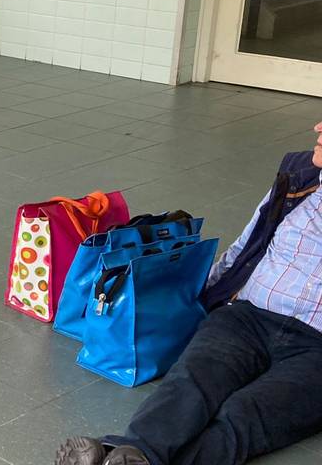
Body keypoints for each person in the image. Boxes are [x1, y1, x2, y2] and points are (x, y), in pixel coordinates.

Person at [56, 123, 322, 465]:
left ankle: (120, 456)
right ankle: (136, 454)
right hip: (250, 315)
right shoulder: (301, 175)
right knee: (194, 380)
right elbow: (249, 241)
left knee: (249, 415)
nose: (318, 126)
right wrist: (203, 294)